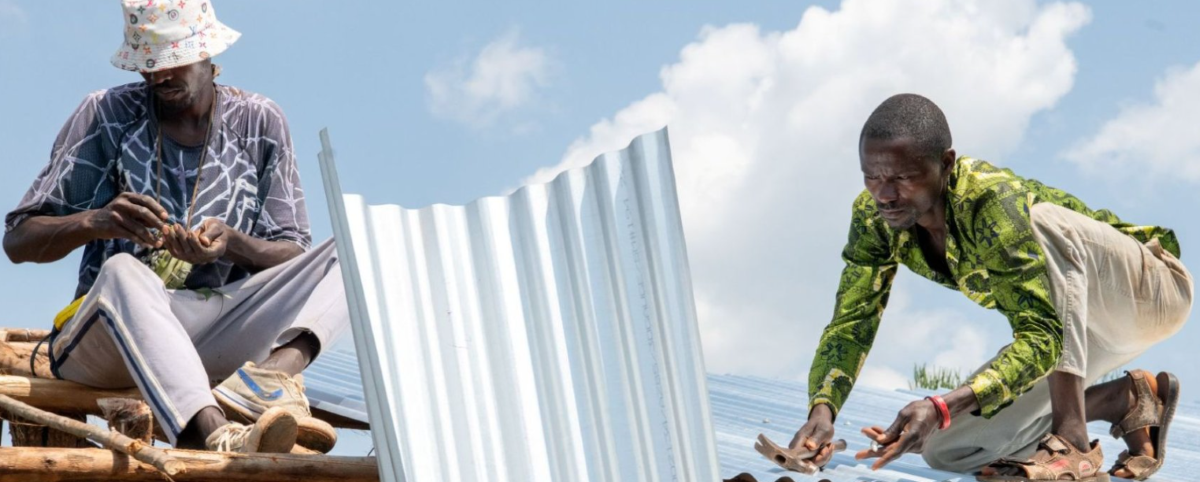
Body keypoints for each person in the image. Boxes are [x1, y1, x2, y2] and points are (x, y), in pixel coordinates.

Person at [3, 0, 348, 454]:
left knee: (355, 247)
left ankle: (270, 377)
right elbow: (18, 240)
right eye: (146, 65)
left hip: (213, 330)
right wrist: (97, 221)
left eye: (170, 62)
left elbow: (293, 254)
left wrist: (232, 245)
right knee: (126, 271)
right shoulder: (107, 114)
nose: (156, 76)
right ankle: (214, 436)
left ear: (208, 53)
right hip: (107, 343)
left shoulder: (259, 122)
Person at [788, 94, 1192, 481]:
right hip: (1078, 330)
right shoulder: (874, 218)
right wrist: (823, 412)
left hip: (1150, 291)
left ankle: (1073, 440)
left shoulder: (992, 199)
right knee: (947, 448)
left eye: (904, 178)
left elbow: (1041, 335)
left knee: (1046, 220)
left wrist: (940, 405)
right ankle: (1124, 400)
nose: (885, 194)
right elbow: (852, 320)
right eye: (871, 177)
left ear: (946, 164)